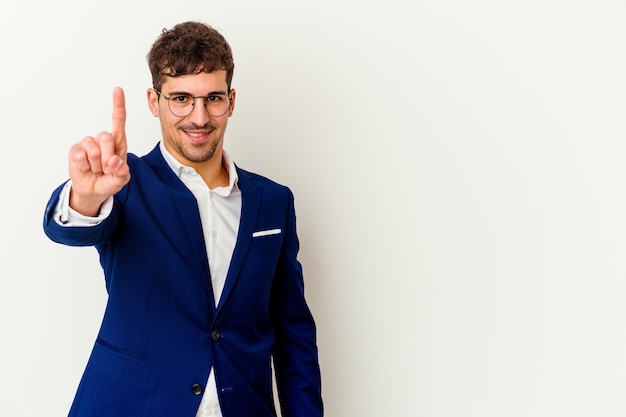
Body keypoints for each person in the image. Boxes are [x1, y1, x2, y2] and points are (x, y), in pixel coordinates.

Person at [43, 21, 323, 417]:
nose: (199, 117)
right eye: (181, 99)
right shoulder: (124, 182)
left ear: (232, 100)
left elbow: (293, 332)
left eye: (213, 98)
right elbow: (69, 227)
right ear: (154, 101)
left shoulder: (274, 201)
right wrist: (86, 196)